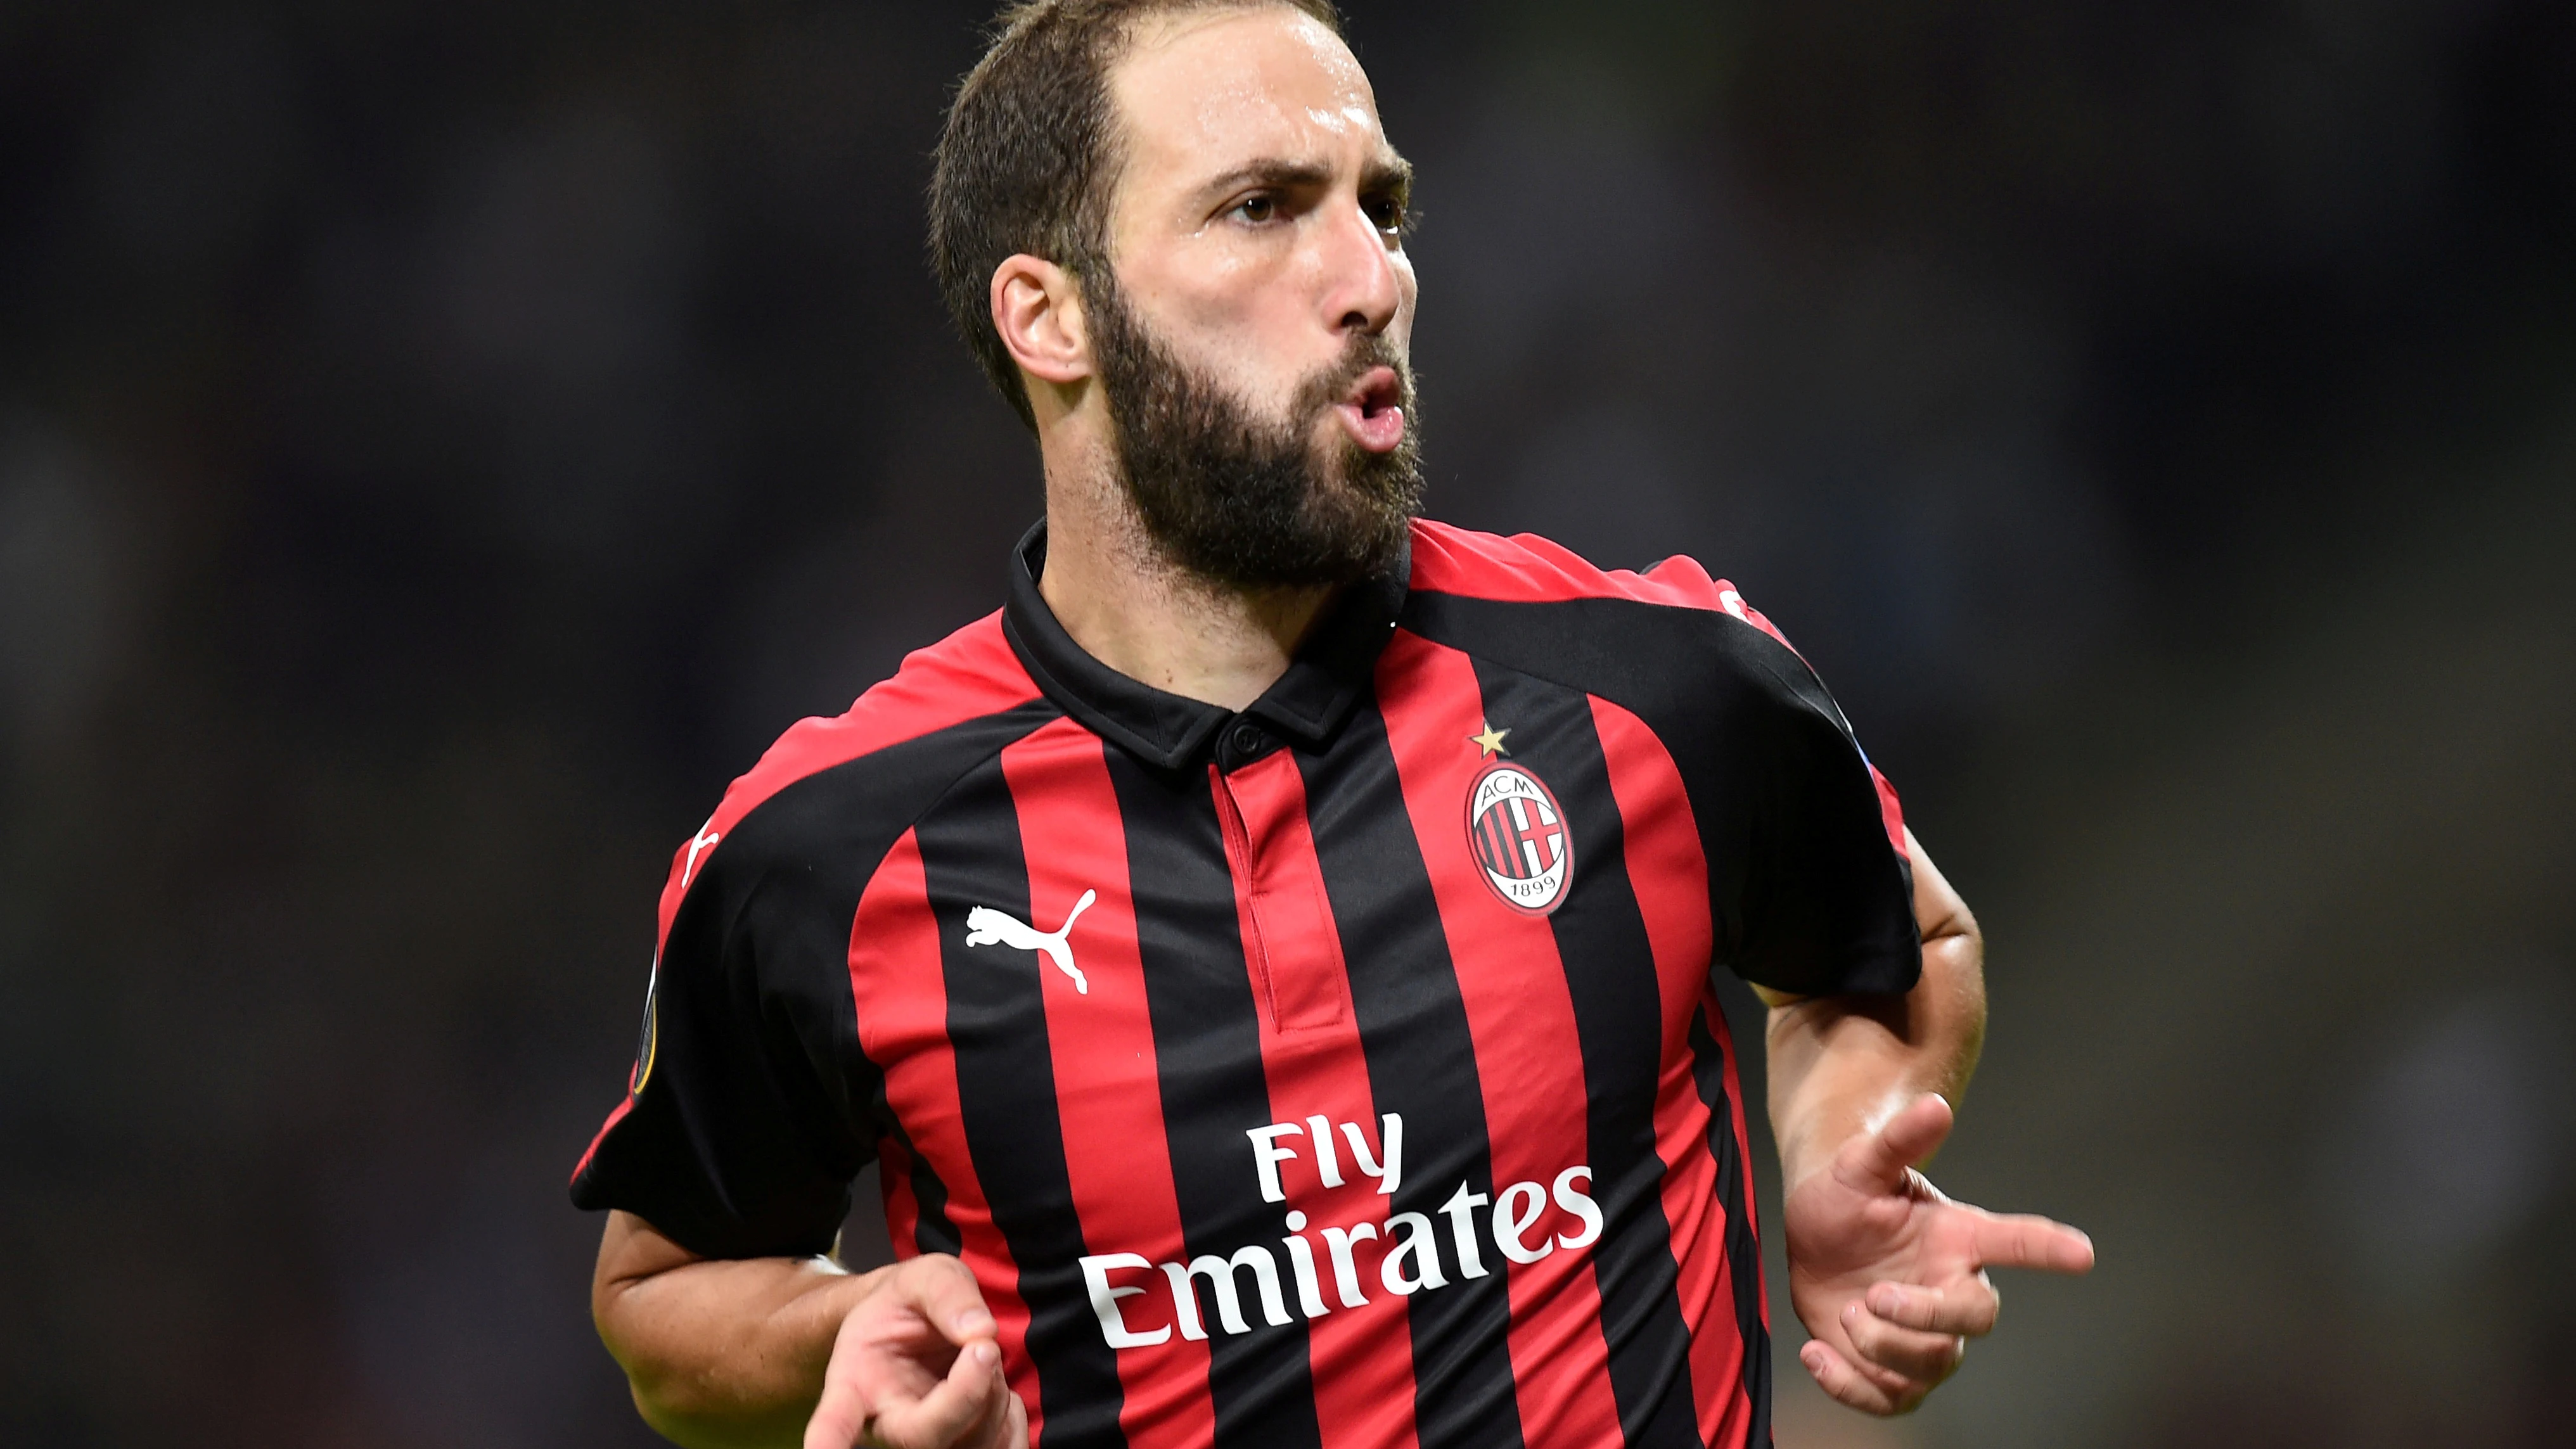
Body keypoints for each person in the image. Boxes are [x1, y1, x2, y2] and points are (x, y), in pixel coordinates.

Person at [569, 3, 2094, 1446]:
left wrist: (1844, 1147)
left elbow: (1897, 950)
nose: (1372, 276)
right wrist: (834, 1338)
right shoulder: (822, 853)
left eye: (1380, 205)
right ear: (1050, 317)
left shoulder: (1665, 687)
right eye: (1261, 208)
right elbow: (661, 1301)